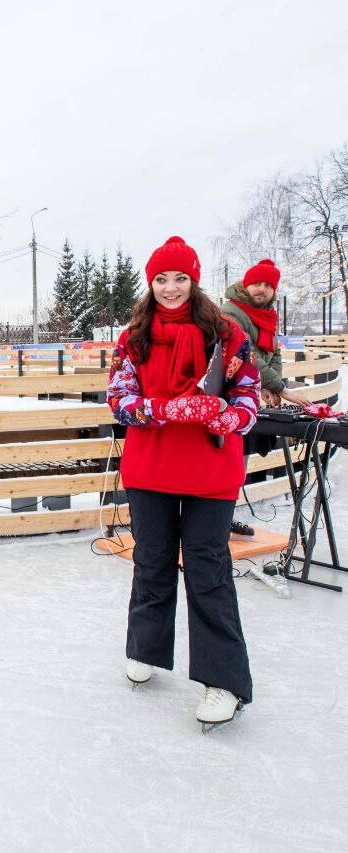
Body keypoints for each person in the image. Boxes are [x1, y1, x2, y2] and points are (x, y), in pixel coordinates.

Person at [106, 236, 261, 728]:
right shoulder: (133, 337)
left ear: (194, 281)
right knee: (151, 560)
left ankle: (225, 682)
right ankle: (146, 649)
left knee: (207, 568)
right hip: (151, 468)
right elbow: (119, 400)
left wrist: (229, 417)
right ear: (149, 284)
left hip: (211, 473)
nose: (170, 288)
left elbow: (249, 395)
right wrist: (165, 409)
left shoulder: (227, 334)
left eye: (180, 278)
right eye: (161, 279)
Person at [220, 259, 311, 538]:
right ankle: (214, 518)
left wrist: (271, 386)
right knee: (226, 457)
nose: (261, 289)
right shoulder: (232, 313)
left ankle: (225, 516)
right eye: (256, 283)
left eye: (267, 285)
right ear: (246, 284)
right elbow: (248, 355)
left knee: (240, 458)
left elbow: (274, 352)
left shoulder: (267, 315)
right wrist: (280, 388)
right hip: (229, 394)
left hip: (250, 392)